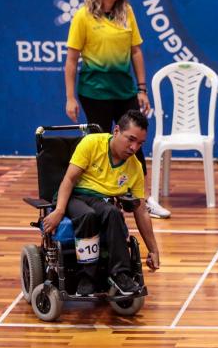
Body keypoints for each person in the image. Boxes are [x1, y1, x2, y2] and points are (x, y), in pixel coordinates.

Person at [63, 0, 170, 219]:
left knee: (136, 146)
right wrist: (70, 97)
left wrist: (141, 89)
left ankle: (143, 199)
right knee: (100, 146)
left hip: (124, 91)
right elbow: (71, 59)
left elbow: (136, 51)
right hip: (94, 92)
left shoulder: (127, 12)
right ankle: (98, 197)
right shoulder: (83, 16)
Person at [42, 110, 161, 296]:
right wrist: (58, 211)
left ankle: (120, 275)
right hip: (75, 194)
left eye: (140, 143)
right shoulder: (92, 143)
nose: (134, 147)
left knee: (113, 213)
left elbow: (141, 210)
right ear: (116, 131)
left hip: (100, 201)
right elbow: (69, 180)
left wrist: (153, 249)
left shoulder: (135, 167)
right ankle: (86, 278)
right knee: (87, 215)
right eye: (130, 139)